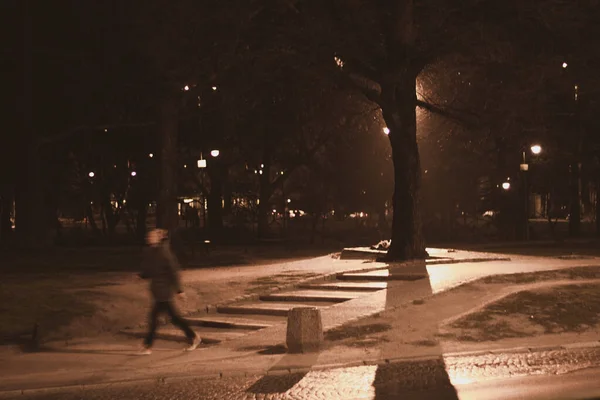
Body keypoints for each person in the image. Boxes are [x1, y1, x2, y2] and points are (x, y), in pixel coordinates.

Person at [139, 228, 200, 355]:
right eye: (148, 237)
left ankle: (148, 346)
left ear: (158, 238)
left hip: (164, 291)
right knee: (173, 318)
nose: (148, 238)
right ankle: (193, 337)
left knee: (156, 319)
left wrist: (179, 291)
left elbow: (174, 272)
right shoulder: (152, 252)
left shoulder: (164, 253)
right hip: (158, 291)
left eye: (151, 237)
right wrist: (143, 275)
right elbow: (150, 270)